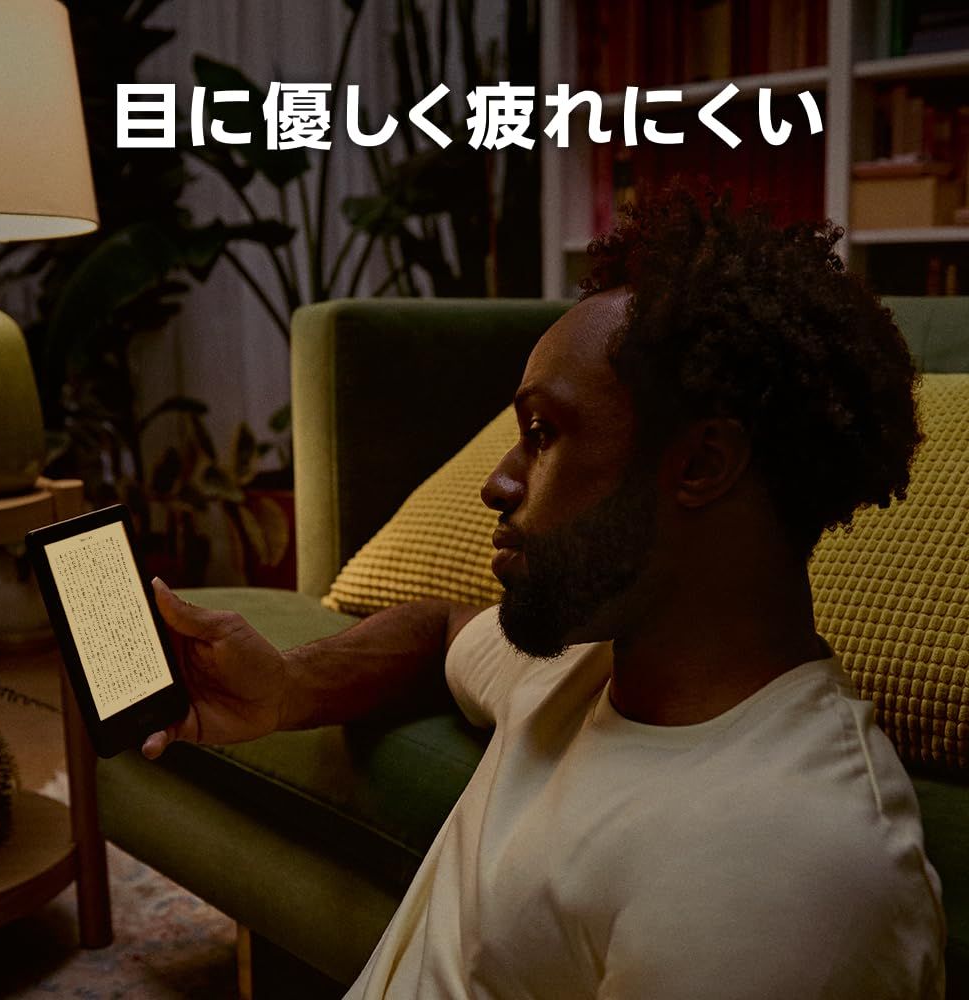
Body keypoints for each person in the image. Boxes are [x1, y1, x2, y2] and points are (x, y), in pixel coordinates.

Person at [143, 188, 945, 998]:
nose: (498, 482)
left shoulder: (792, 875)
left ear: (702, 464)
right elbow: (442, 629)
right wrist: (286, 686)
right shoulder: (591, 661)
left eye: (542, 434)